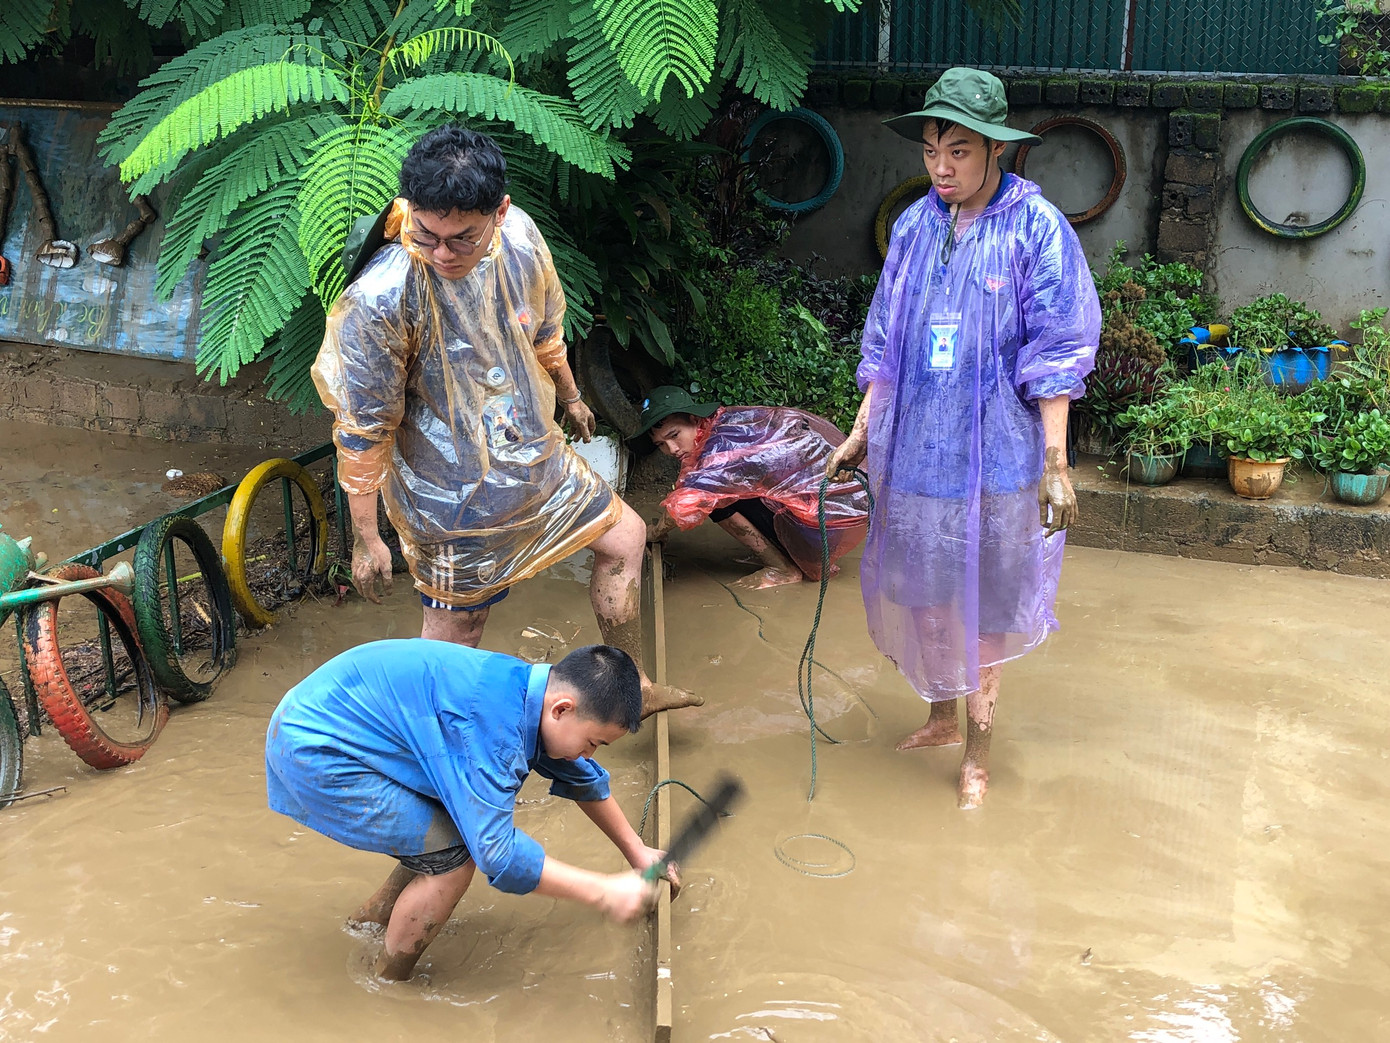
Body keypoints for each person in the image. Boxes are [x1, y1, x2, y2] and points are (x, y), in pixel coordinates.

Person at [312, 125, 699, 718]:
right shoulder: (383, 298)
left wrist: (570, 397)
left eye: (461, 238)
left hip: (529, 454)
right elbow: (364, 431)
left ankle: (632, 690)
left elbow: (543, 331)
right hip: (449, 497)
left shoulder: (519, 240)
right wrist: (367, 541)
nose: (442, 253)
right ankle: (431, 754)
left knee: (626, 537)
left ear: (500, 211)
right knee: (458, 629)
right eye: (427, 233)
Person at [826, 68, 1101, 809]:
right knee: (928, 593)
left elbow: (1058, 351)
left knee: (984, 602)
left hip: (1002, 456)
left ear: (996, 151)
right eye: (930, 151)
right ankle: (941, 718)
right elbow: (886, 339)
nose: (941, 168)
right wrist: (861, 429)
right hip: (920, 450)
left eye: (959, 151)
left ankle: (978, 754)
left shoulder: (1035, 229)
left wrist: (1055, 462)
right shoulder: (918, 224)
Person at [265, 640, 676, 981]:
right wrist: (604, 891)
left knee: (444, 836)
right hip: (315, 746)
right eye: (593, 743)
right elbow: (497, 856)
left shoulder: (532, 692)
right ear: (562, 708)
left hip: (329, 717)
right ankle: (387, 982)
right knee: (454, 860)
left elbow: (582, 776)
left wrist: (636, 851)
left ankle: (368, 924)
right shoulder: (493, 728)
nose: (588, 755)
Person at [638, 387, 870, 588]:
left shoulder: (718, 450)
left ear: (693, 419)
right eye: (661, 444)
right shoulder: (727, 422)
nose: (672, 449)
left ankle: (782, 569)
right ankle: (784, 551)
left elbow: (685, 504)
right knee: (720, 491)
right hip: (841, 511)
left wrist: (653, 532)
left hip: (827, 522)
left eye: (674, 435)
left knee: (714, 502)